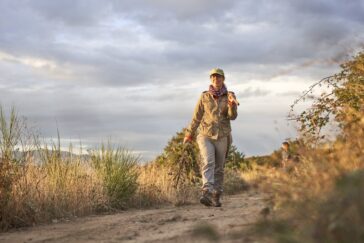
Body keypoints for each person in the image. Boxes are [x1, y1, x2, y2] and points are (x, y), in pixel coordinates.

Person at [183, 68, 238, 207]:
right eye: (213, 77)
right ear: (210, 79)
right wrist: (189, 134)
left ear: (223, 79)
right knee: (208, 161)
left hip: (222, 135)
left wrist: (232, 106)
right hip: (205, 134)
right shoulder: (204, 96)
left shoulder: (229, 96)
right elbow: (196, 117)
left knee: (219, 167)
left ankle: (216, 195)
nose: (216, 79)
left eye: (219, 77)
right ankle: (206, 191)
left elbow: (233, 117)